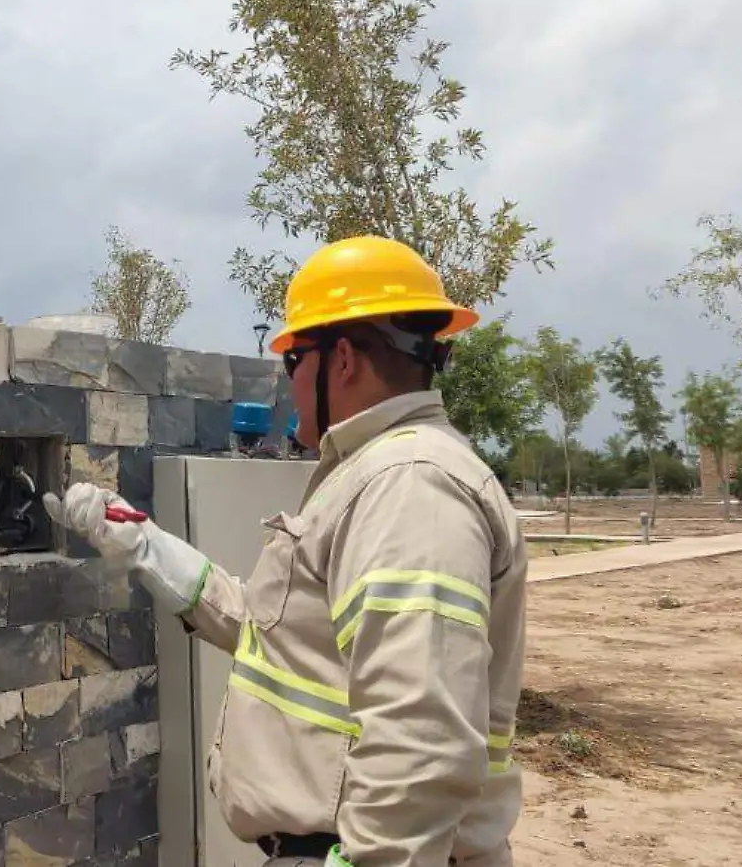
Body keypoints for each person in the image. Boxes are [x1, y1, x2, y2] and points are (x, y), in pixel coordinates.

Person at [45, 236, 528, 867]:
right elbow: (276, 636)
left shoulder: (410, 485)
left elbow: (423, 736)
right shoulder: (377, 475)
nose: (288, 381)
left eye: (292, 359)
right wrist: (141, 544)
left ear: (343, 359)